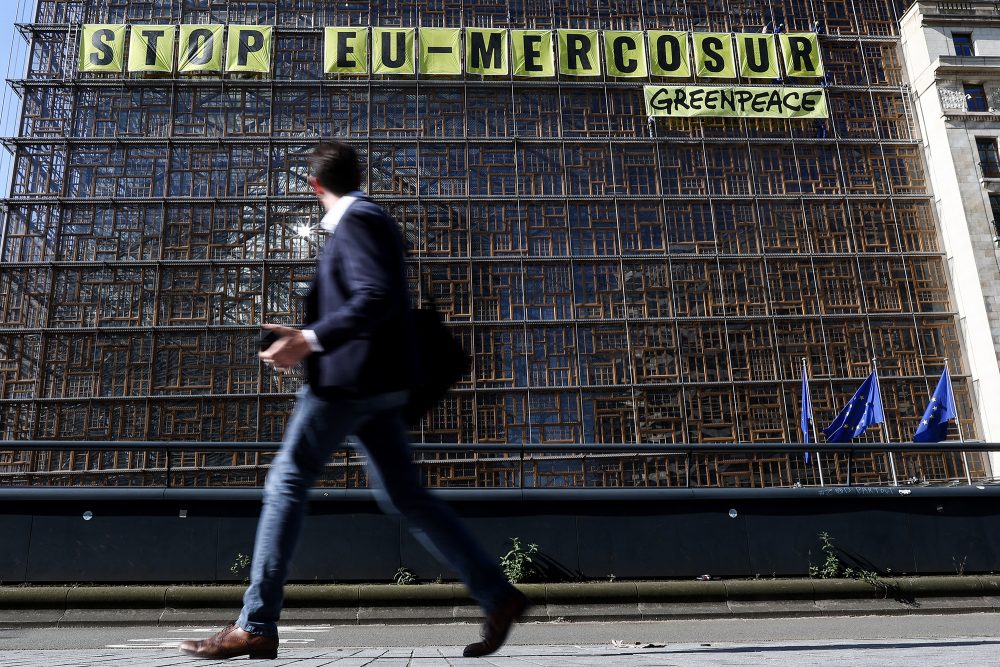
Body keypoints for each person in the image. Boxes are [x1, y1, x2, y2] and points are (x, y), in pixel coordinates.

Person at [180, 141, 530, 660]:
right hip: (377, 385)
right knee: (407, 498)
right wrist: (303, 332)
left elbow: (374, 296)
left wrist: (309, 340)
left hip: (347, 383)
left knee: (286, 482)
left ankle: (256, 623)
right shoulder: (369, 219)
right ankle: (497, 596)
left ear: (314, 185)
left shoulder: (359, 219)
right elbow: (369, 296)